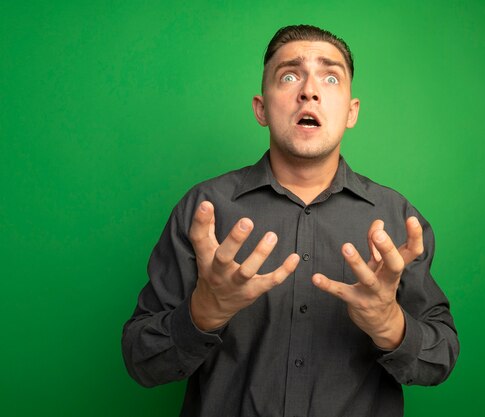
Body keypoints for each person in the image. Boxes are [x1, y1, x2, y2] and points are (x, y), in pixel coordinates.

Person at [122, 24, 459, 417]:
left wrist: (390, 325)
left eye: (330, 77)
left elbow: (440, 359)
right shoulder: (205, 210)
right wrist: (203, 313)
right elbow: (140, 359)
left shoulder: (398, 221)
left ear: (351, 112)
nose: (309, 91)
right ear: (261, 108)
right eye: (289, 75)